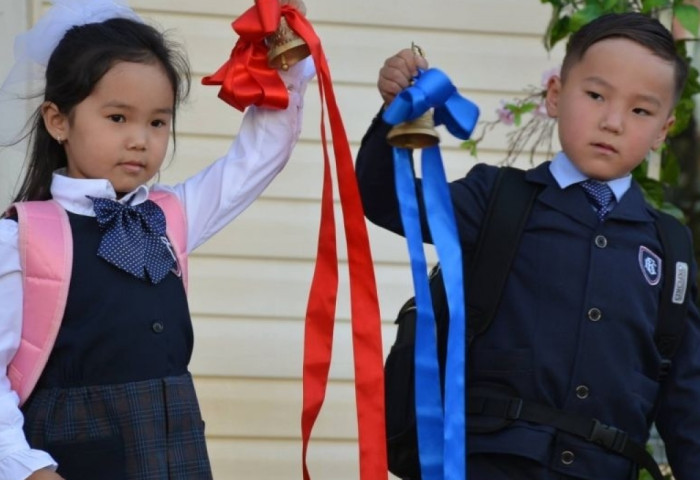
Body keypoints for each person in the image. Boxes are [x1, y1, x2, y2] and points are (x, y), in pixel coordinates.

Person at [355, 12, 700, 480]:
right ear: (556, 95)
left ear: (664, 128)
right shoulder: (497, 198)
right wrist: (395, 113)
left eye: (641, 110)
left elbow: (686, 404)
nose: (614, 121)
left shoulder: (670, 247)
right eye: (596, 95)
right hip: (489, 462)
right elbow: (383, 202)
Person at [0, 0, 313, 479]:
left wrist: (286, 58)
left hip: (174, 447)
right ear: (58, 120)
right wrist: (27, 468)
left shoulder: (170, 215)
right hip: (68, 459)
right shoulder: (21, 236)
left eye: (158, 122)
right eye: (118, 118)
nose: (140, 140)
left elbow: (258, 157)